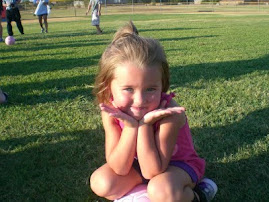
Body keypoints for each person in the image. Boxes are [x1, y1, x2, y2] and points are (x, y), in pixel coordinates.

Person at [90, 21, 218, 202]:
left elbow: (153, 171)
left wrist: (144, 125)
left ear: (162, 85)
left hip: (175, 166)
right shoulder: (110, 111)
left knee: (160, 190)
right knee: (101, 182)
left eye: (151, 89)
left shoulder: (170, 113)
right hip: (136, 164)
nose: (140, 101)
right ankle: (142, 194)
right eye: (128, 89)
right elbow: (118, 168)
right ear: (108, 87)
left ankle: (198, 194)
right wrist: (130, 127)